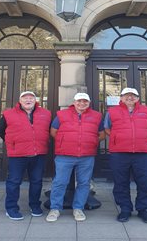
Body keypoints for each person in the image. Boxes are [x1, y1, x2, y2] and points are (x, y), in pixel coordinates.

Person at [46, 93, 105, 222]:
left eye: (85, 101)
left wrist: (92, 142)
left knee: (84, 183)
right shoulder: (62, 114)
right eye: (79, 101)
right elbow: (53, 131)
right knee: (60, 182)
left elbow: (101, 134)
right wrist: (65, 142)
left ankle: (78, 208)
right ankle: (55, 208)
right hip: (64, 155)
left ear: (89, 103)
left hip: (86, 156)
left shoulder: (96, 116)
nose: (82, 103)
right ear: (74, 102)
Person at [104, 87, 147, 224]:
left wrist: (142, 139)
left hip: (142, 152)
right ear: (121, 98)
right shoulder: (112, 111)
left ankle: (144, 209)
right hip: (119, 152)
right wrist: (120, 138)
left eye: (133, 95)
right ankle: (125, 209)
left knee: (144, 182)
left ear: (138, 98)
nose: (130, 98)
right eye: (126, 95)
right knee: (121, 182)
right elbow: (107, 128)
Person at [0, 91, 51, 220]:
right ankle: (11, 208)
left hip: (38, 153)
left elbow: (49, 130)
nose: (28, 100)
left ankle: (35, 206)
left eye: (31, 98)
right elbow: (0, 130)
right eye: (25, 98)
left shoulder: (46, 113)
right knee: (14, 182)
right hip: (17, 155)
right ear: (20, 101)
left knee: (37, 181)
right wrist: (13, 143)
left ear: (35, 100)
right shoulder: (8, 114)